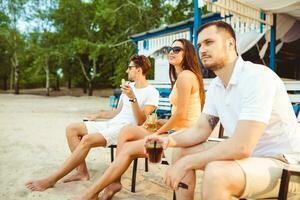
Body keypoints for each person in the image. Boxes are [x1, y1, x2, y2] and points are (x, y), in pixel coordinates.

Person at [146, 21, 300, 200]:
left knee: (216, 173)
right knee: (181, 151)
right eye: (199, 45)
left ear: (230, 43)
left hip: (285, 164)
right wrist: (168, 141)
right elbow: (200, 130)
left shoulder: (257, 77)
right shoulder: (217, 87)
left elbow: (242, 147)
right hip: (250, 160)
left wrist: (187, 163)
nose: (202, 49)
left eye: (209, 42)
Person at [73, 38, 205, 200]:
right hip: (178, 133)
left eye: (177, 49)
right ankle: (111, 183)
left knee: (128, 137)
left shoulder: (185, 76)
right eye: (171, 49)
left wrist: (159, 131)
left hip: (182, 138)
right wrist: (158, 123)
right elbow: (181, 116)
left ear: (188, 54)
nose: (172, 52)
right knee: (127, 130)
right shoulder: (181, 77)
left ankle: (102, 188)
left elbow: (181, 116)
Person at [25, 54, 160, 191]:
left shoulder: (152, 92)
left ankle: (51, 179)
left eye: (129, 67)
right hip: (113, 123)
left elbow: (142, 121)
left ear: (139, 69)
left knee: (87, 139)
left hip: (126, 130)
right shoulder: (128, 87)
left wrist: (133, 98)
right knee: (72, 128)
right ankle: (82, 172)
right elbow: (117, 112)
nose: (127, 70)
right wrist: (98, 115)